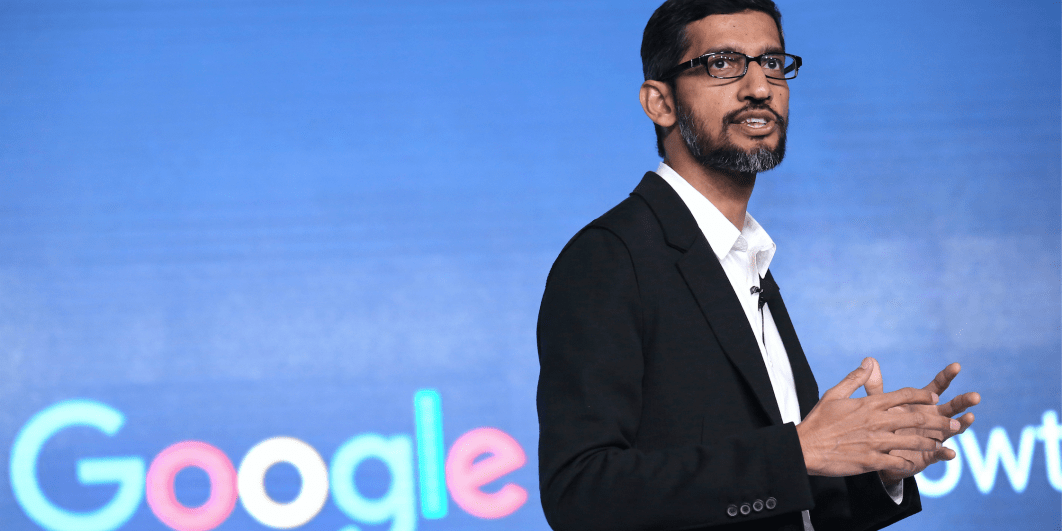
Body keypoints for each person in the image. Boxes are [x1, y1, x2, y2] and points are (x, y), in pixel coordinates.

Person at [535, 1, 981, 530]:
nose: (759, 87)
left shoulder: (746, 256)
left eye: (772, 63)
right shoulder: (608, 258)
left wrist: (881, 468)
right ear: (660, 102)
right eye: (723, 64)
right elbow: (580, 493)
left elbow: (788, 499)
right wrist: (797, 453)